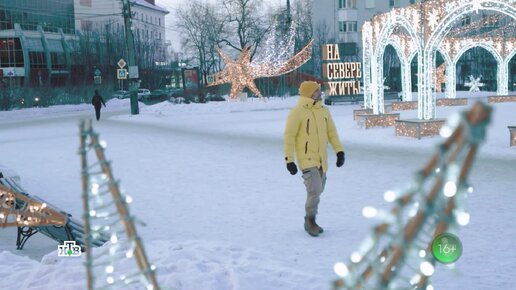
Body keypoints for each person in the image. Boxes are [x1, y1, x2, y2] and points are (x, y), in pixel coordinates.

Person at [283, 81, 345, 237]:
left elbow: (332, 133)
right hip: (306, 158)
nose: (319, 93)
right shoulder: (297, 112)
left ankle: (309, 219)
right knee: (315, 190)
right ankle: (310, 221)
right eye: (316, 91)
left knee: (318, 190)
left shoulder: (324, 111)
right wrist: (289, 160)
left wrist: (339, 151)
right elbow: (289, 137)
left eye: (319, 90)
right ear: (309, 93)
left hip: (321, 159)